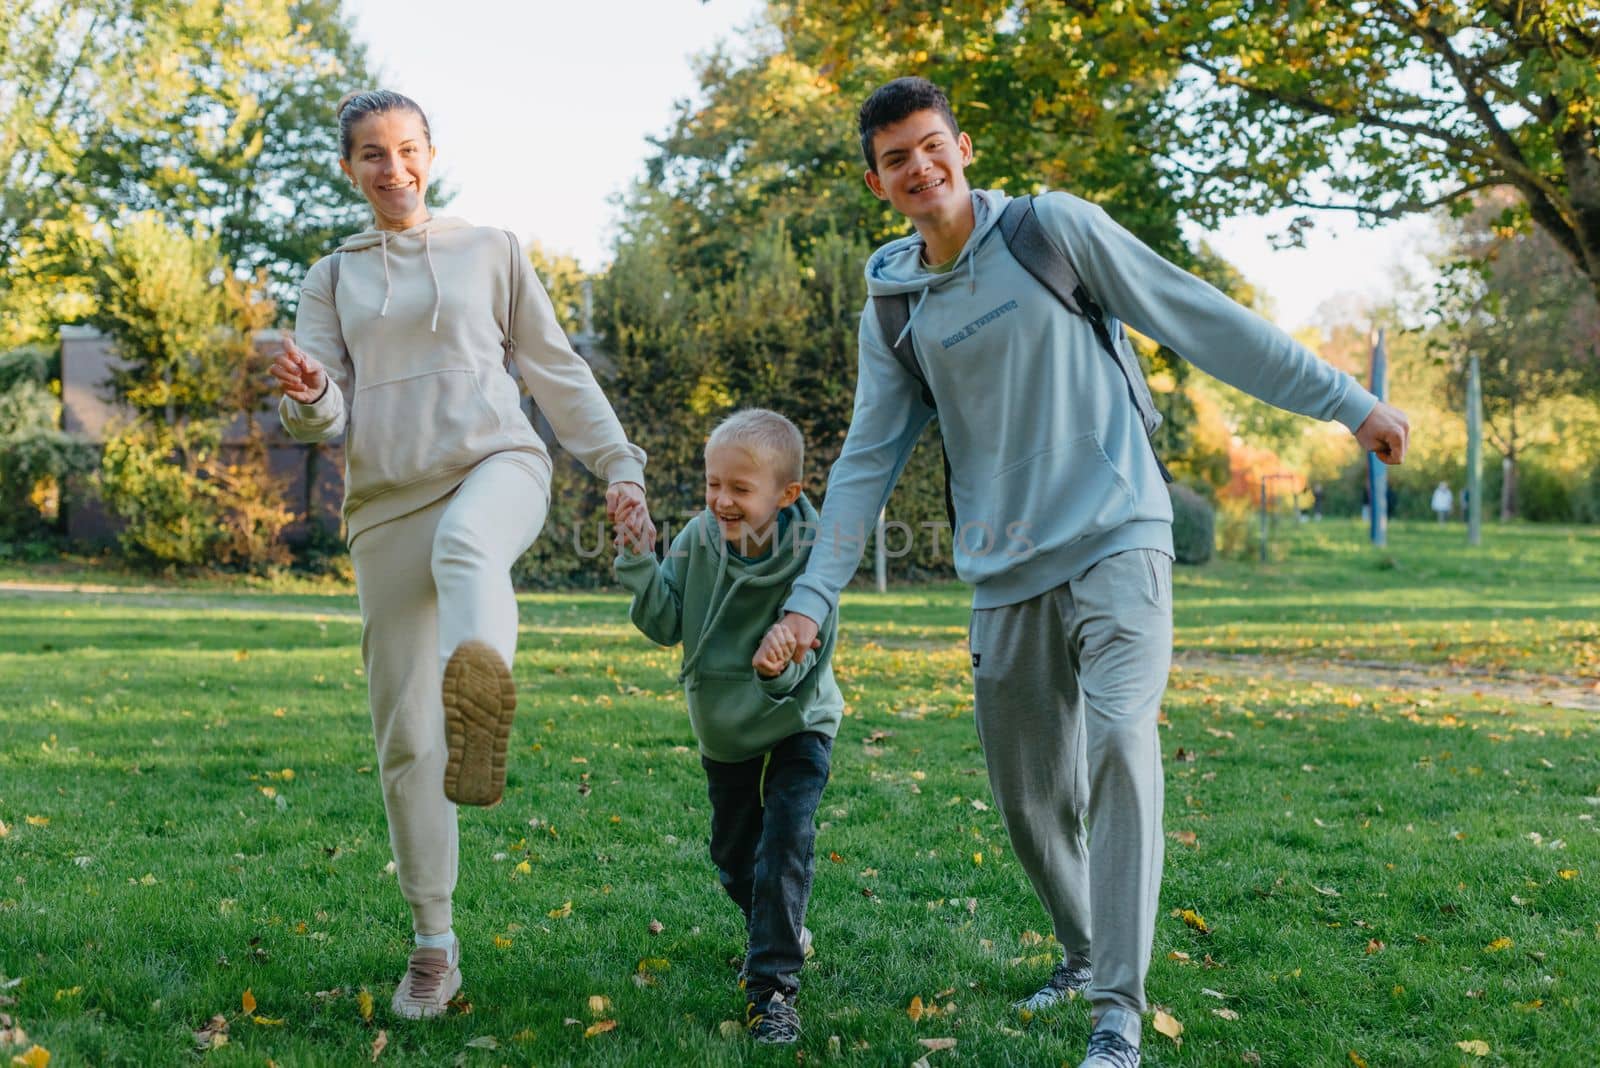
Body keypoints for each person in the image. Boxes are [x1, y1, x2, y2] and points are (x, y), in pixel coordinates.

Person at [763, 78, 1410, 1068]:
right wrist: (812, 597)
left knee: (1118, 744)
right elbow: (865, 459)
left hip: (1118, 535)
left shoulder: (1050, 231)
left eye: (930, 146)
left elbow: (1194, 315)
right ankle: (1078, 953)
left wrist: (1344, 401)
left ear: (963, 147)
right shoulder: (895, 306)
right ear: (877, 181)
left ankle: (1116, 1016)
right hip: (1005, 571)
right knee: (1028, 802)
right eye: (896, 158)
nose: (918, 168)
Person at [268, 89, 654, 1020]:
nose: (391, 168)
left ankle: (485, 684)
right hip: (385, 501)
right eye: (370, 154)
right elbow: (317, 414)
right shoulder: (332, 277)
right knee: (406, 735)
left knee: (469, 544)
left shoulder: (492, 248)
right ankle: (433, 947)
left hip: (495, 461)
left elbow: (554, 367)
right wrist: (314, 391)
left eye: (406, 149)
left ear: (431, 154)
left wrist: (619, 465)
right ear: (349, 168)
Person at [612, 409, 842, 1045]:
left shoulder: (815, 560)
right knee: (734, 859)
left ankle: (772, 989)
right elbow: (664, 624)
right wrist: (639, 559)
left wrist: (776, 668)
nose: (721, 500)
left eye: (740, 489)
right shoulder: (696, 537)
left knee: (784, 842)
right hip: (724, 726)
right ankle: (782, 925)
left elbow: (807, 664)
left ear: (786, 494)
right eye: (714, 483)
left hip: (798, 716)